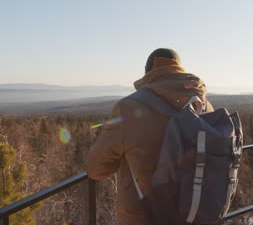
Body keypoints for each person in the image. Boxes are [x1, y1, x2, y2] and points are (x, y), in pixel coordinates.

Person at [87, 48, 214, 225]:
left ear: (148, 73)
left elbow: (96, 169)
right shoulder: (204, 105)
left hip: (144, 217)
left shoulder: (128, 107)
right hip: (195, 214)